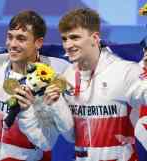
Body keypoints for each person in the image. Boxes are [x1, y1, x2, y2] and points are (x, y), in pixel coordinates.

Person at [18, 8, 147, 161]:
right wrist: (55, 106)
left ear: (95, 38)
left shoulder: (125, 71)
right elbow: (70, 136)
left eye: (74, 37)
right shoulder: (67, 77)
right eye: (64, 39)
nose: (68, 45)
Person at [0, 10, 73, 161]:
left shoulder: (49, 82)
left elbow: (46, 142)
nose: (12, 44)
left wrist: (27, 112)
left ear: (38, 43)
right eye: (10, 37)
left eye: (21, 38)